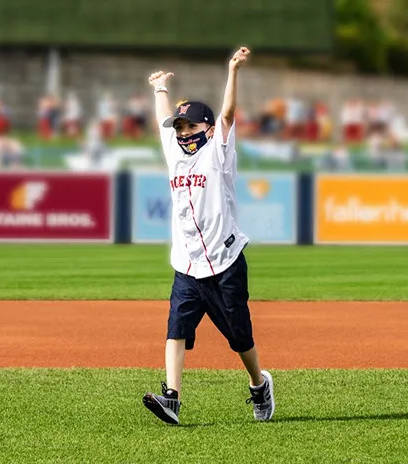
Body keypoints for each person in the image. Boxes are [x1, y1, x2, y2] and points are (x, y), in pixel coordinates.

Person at [141, 47, 274, 426]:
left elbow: (229, 113)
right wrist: (159, 89)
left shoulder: (218, 152)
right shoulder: (175, 154)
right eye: (180, 128)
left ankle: (258, 385)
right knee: (176, 329)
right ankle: (172, 399)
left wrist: (233, 70)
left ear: (209, 130)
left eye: (190, 127)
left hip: (225, 262)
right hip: (186, 263)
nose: (182, 132)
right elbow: (163, 118)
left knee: (239, 337)